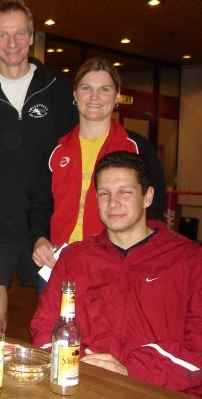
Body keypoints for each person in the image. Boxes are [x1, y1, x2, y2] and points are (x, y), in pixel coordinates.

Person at [0, 0, 78, 329]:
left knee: (60, 322)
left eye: (20, 33)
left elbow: (74, 155)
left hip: (48, 227)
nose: (12, 43)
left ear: (31, 36)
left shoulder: (57, 89)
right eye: (3, 35)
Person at [30, 151, 202, 397]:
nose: (113, 203)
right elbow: (45, 327)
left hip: (160, 391)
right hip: (84, 386)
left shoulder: (190, 260)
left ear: (147, 196)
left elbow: (198, 349)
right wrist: (78, 365)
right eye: (104, 193)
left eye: (125, 192)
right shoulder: (74, 258)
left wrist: (130, 371)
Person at [29, 58, 166, 290]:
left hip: (116, 266)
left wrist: (139, 255)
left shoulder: (136, 148)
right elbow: (38, 205)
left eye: (104, 89)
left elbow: (153, 208)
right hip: (59, 264)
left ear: (117, 96)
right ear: (75, 94)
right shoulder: (55, 149)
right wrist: (39, 239)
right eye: (86, 88)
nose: (94, 97)